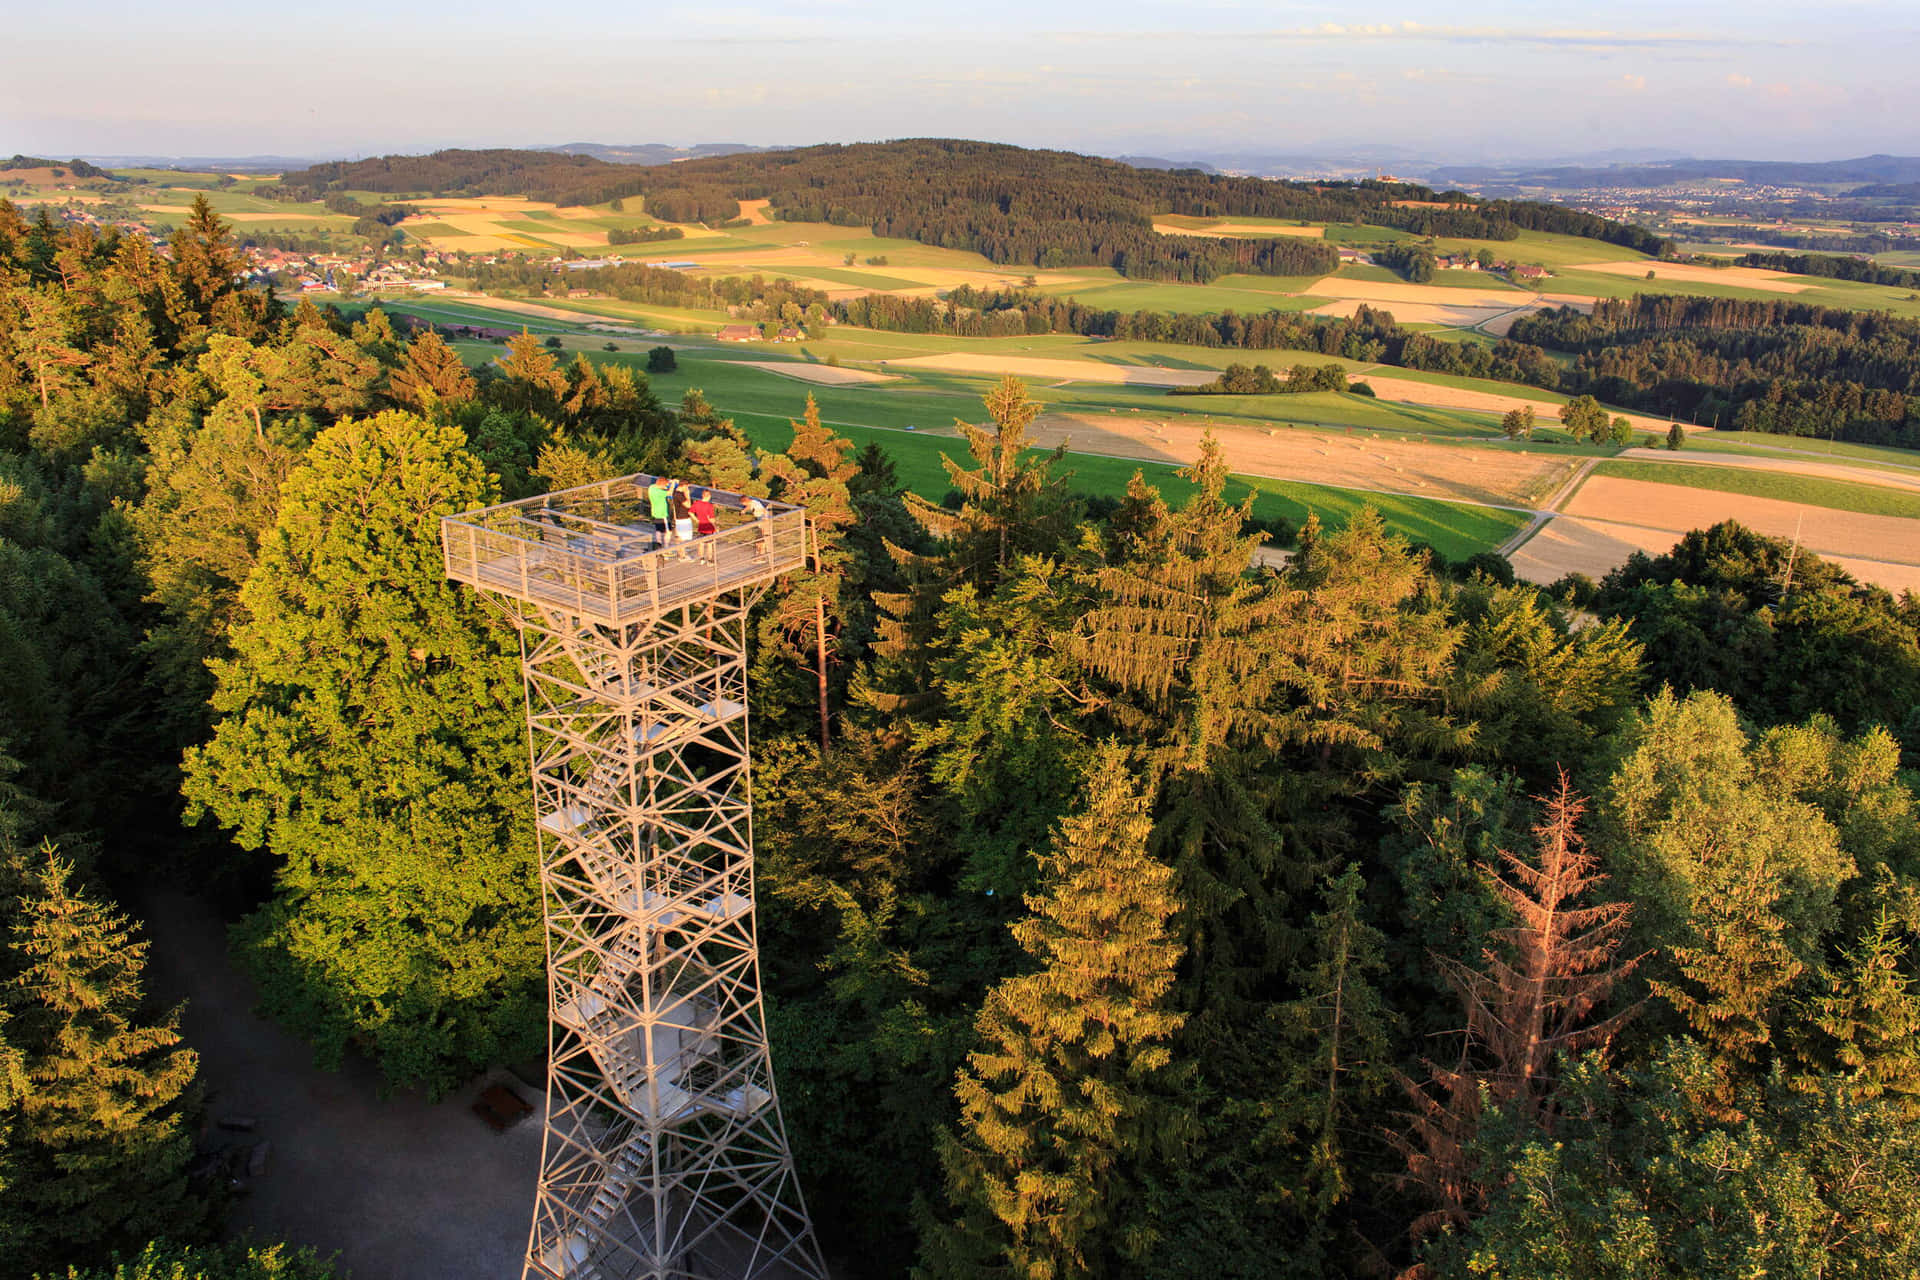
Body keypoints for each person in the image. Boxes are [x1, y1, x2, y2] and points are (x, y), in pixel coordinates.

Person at [670, 482, 695, 559]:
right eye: (687, 487)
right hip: (683, 518)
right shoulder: (679, 494)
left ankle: (681, 554)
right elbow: (688, 505)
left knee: (681, 537)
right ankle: (682, 556)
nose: (687, 489)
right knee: (683, 538)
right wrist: (687, 494)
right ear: (684, 486)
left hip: (679, 517)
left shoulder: (675, 492)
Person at [647, 476, 673, 547]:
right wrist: (672, 484)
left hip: (655, 512)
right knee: (668, 531)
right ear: (662, 484)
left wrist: (667, 482)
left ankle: (659, 543)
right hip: (663, 513)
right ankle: (666, 546)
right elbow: (669, 493)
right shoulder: (660, 492)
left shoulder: (651, 488)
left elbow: (661, 487)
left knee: (658, 529)